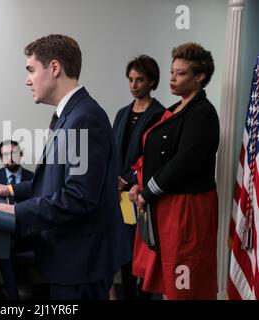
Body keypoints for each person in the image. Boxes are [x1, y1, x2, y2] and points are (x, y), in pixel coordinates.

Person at [0, 34, 130, 300]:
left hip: (82, 260)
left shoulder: (84, 118)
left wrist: (14, 212)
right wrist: (10, 190)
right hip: (73, 257)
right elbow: (56, 182)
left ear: (55, 68)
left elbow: (78, 196)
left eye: (31, 70)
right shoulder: (71, 114)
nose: (27, 80)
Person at [129, 43, 219, 299]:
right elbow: (152, 155)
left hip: (188, 209)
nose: (172, 78)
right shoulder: (174, 109)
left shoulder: (202, 113)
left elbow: (183, 162)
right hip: (166, 206)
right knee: (170, 281)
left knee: (185, 280)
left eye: (180, 73)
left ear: (199, 76)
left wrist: (147, 192)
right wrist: (138, 183)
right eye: (171, 71)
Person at [112, 55, 165, 299]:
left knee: (143, 252)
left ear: (152, 81)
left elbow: (156, 157)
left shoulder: (161, 114)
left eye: (140, 80)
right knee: (124, 251)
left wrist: (131, 178)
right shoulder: (122, 113)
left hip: (143, 194)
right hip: (120, 195)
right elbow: (112, 151)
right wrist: (116, 178)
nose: (134, 85)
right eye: (131, 80)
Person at [0, 140, 34, 300]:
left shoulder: (33, 178)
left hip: (27, 231)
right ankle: (13, 293)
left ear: (21, 155)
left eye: (14, 154)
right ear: (1, 158)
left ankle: (12, 293)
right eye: (6, 154)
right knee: (5, 243)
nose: (11, 158)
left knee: (6, 244)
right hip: (1, 229)